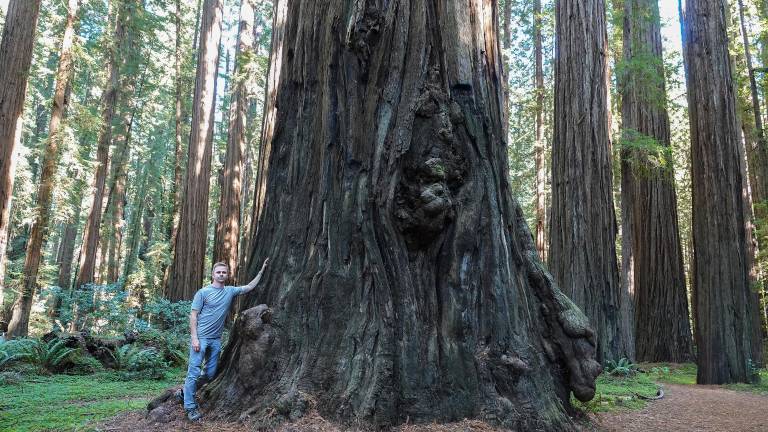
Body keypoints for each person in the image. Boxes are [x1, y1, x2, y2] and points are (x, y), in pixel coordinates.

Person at [182, 258, 269, 421]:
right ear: (213, 274)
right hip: (201, 338)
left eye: (224, 272)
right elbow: (193, 315)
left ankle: (186, 391)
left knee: (210, 374)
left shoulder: (230, 291)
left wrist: (261, 271)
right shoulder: (203, 293)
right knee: (193, 373)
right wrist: (194, 338)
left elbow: (249, 287)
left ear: (227, 275)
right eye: (218, 272)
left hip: (215, 339)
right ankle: (190, 407)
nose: (221, 275)